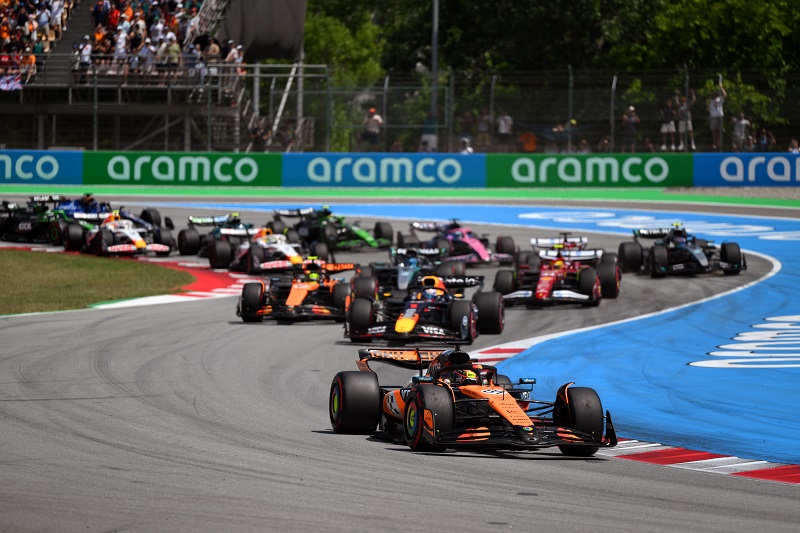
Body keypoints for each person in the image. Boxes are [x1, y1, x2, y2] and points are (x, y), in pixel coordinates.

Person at [708, 82, 727, 151]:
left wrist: (721, 87)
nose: (714, 96)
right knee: (714, 130)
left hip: (719, 116)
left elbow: (725, 95)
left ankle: (719, 142)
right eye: (713, 95)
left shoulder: (720, 99)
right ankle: (715, 143)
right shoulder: (710, 101)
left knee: (719, 130)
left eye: (715, 95)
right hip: (713, 116)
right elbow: (708, 109)